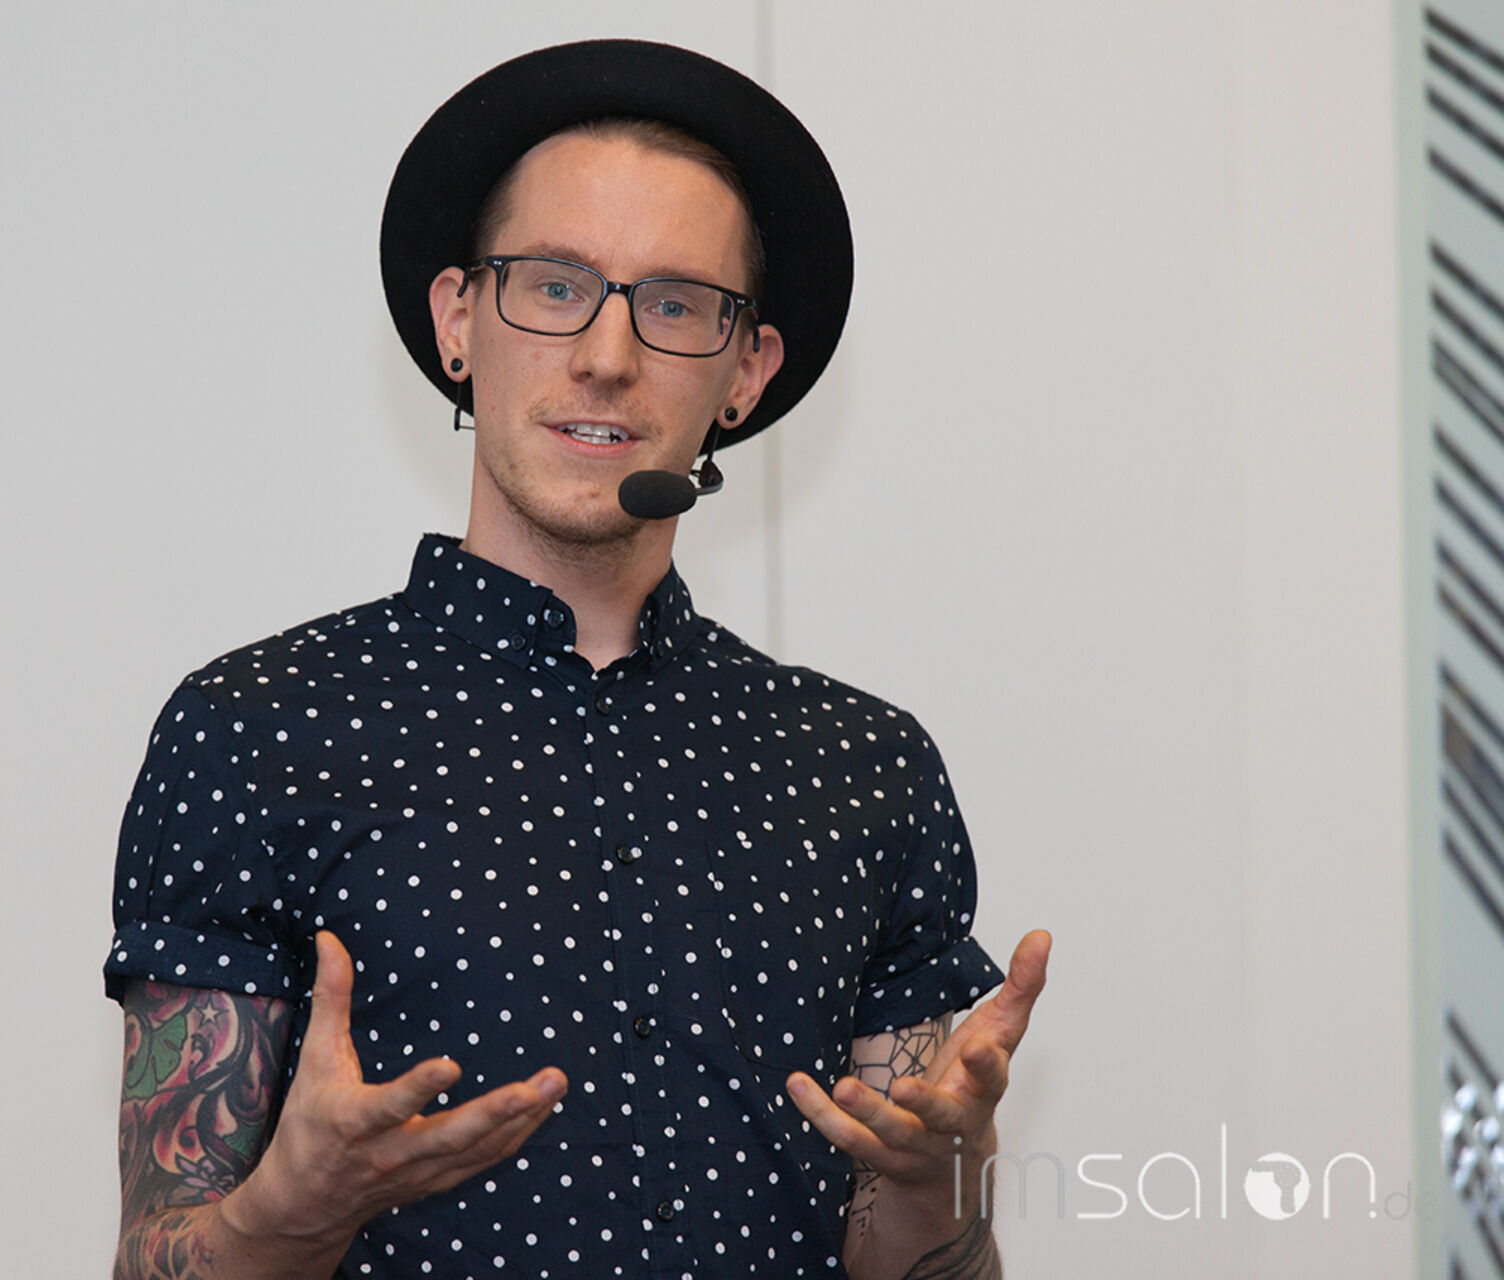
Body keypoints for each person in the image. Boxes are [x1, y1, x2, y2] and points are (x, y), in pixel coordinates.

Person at [103, 38, 1049, 1280]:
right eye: (553, 285)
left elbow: (916, 1261)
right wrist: (289, 1209)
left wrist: (934, 1196)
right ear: (457, 321)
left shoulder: (864, 768)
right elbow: (154, 1252)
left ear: (746, 372)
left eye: (676, 304)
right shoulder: (259, 728)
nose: (607, 356)